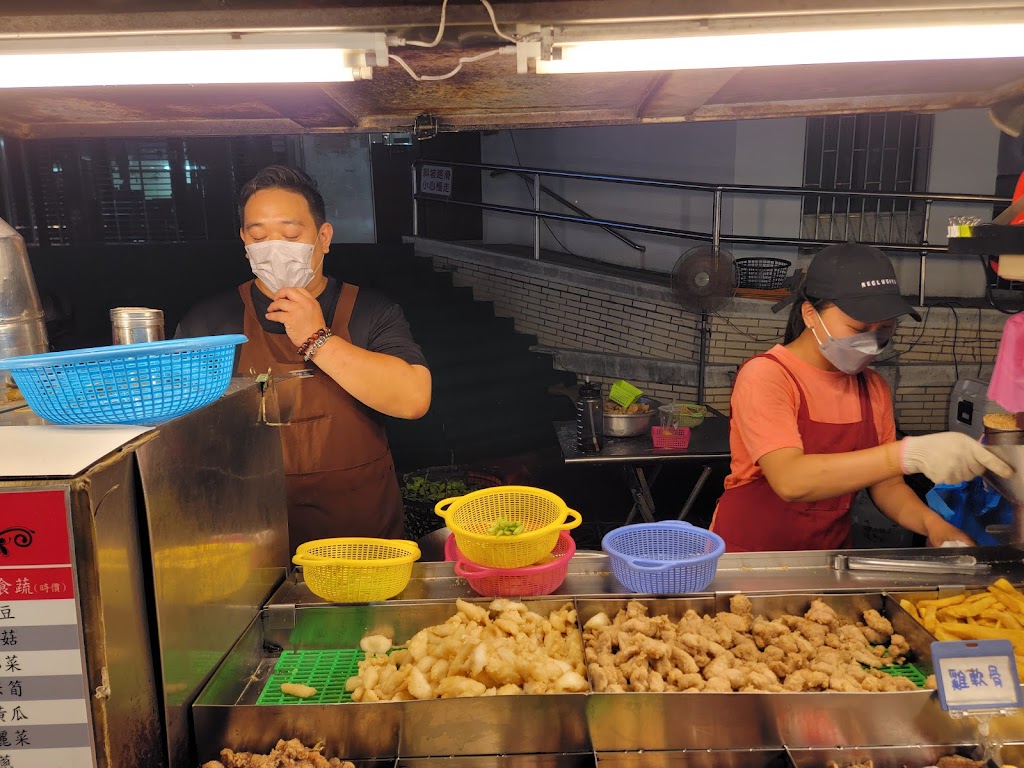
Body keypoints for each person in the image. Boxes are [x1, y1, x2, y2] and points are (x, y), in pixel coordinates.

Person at [176, 165, 431, 551]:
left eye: (291, 234)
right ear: (244, 240)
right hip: (254, 542)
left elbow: (413, 399)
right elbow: (179, 435)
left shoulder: (370, 311)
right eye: (258, 235)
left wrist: (317, 339)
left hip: (362, 537)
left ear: (323, 237)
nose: (273, 247)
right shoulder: (211, 322)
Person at [710, 242, 1013, 552]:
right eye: (857, 327)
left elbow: (886, 485)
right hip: (749, 556)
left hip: (827, 558)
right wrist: (907, 454)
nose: (870, 341)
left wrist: (931, 523)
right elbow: (790, 480)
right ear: (810, 314)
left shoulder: (873, 388)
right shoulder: (767, 375)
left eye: (883, 330)